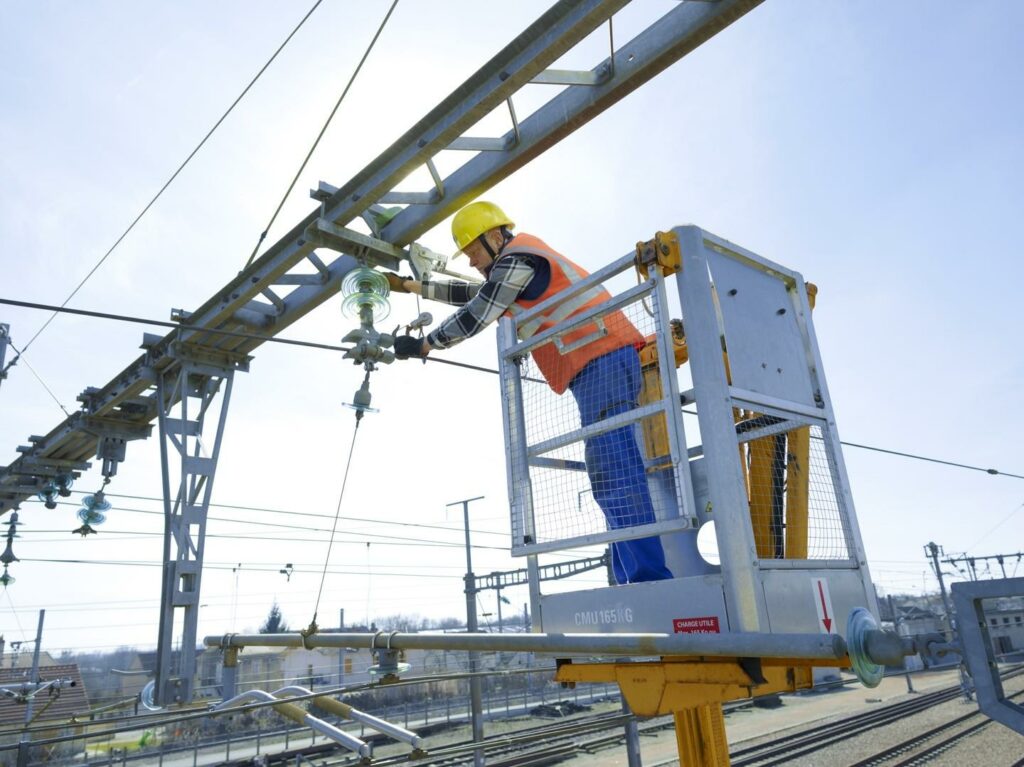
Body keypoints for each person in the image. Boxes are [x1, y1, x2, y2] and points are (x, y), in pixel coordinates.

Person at [388, 201, 672, 585]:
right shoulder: (516, 267)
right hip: (596, 364)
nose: (471, 261)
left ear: (494, 236)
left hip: (601, 359)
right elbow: (473, 293)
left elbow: (478, 311)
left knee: (615, 470)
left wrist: (426, 344)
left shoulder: (520, 257)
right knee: (610, 472)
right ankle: (634, 577)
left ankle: (647, 579)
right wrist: (412, 286)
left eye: (472, 250)